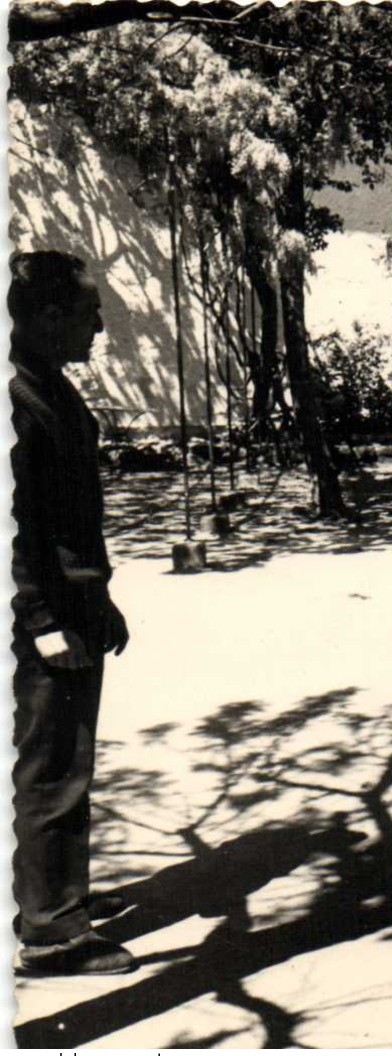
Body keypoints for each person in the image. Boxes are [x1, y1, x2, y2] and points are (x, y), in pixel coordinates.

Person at [10, 251, 136, 976]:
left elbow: (70, 521)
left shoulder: (48, 386)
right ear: (49, 316)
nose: (99, 329)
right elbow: (13, 532)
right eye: (90, 315)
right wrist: (45, 624)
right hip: (40, 622)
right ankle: (54, 932)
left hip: (71, 606)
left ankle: (44, 894)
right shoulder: (17, 399)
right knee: (54, 772)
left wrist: (100, 599)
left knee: (50, 766)